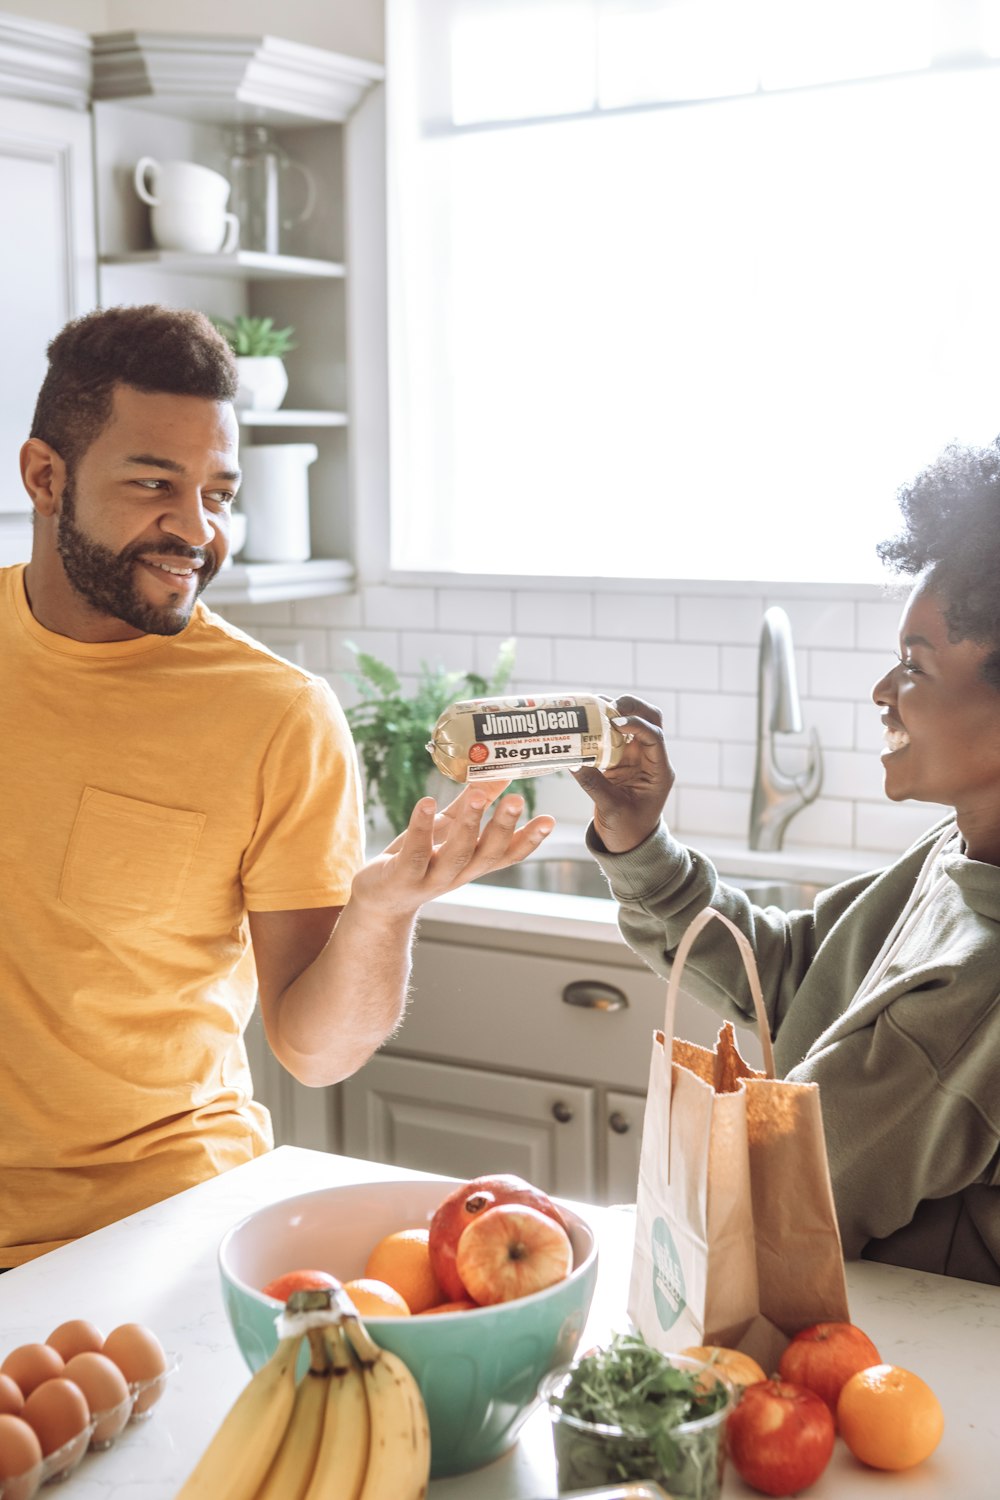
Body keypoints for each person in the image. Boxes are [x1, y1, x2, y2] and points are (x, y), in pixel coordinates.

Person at [1, 303, 553, 1268]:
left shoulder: (275, 715)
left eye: (218, 492)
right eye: (152, 483)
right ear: (45, 477)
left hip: (148, 1232)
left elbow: (315, 1047)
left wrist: (380, 914)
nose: (196, 529)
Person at [574, 440, 1000, 1285]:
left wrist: (595, 1239)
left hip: (927, 1367)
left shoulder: (976, 984)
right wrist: (639, 841)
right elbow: (799, 970)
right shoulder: (959, 849)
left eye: (915, 665)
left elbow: (790, 1191)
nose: (884, 690)